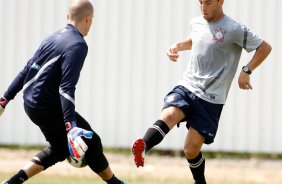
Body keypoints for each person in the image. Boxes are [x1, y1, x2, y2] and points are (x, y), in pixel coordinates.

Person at [131, 0, 272, 183]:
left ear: (221, 2)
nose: (203, 7)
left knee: (190, 149)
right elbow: (196, 39)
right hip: (188, 86)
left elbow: (264, 47)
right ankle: (143, 146)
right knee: (170, 114)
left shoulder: (234, 29)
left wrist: (246, 71)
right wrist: (177, 46)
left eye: (208, 3)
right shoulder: (197, 22)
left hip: (211, 99)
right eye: (200, 2)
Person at [0, 0, 126, 183]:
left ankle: (11, 182)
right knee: (93, 142)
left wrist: (5, 99)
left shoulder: (52, 37)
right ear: (89, 19)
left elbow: (27, 68)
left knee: (59, 148)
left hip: (30, 102)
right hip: (46, 104)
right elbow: (66, 88)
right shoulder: (78, 45)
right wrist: (71, 126)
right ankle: (116, 183)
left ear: (68, 16)